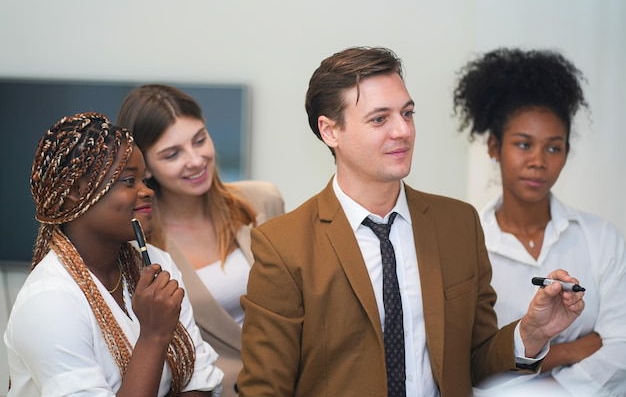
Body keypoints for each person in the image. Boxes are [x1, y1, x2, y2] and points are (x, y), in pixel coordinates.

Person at [236, 46, 585, 397]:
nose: (403, 130)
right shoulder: (283, 246)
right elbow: (264, 388)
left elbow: (472, 361)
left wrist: (531, 333)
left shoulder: (458, 224)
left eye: (407, 113)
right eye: (379, 118)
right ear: (330, 132)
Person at [3, 112, 224, 396]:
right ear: (76, 191)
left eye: (145, 180)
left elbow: (199, 381)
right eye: (130, 181)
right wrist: (154, 335)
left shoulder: (157, 262)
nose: (147, 192)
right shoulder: (49, 302)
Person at [452, 47, 626, 396]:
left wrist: (536, 378)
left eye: (553, 147)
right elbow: (467, 363)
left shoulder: (600, 238)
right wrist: (570, 350)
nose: (538, 161)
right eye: (523, 144)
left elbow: (620, 348)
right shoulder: (464, 244)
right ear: (493, 148)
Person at [116, 84, 284, 397]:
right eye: (172, 154)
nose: (196, 160)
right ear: (146, 168)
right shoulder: (140, 247)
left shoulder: (263, 202)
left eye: (200, 140)